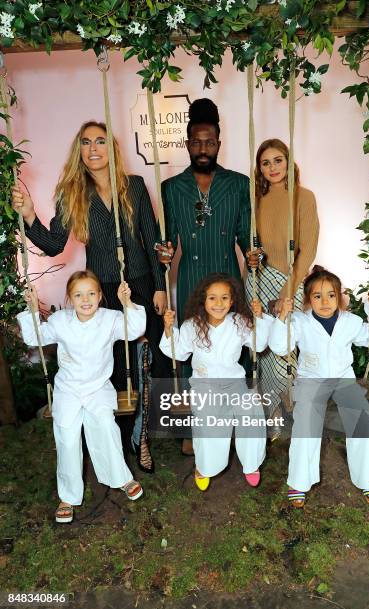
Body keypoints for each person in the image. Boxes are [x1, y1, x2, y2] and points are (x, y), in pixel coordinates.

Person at [12, 120, 171, 471]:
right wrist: (28, 215)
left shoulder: (134, 186)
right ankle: (114, 435)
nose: (94, 148)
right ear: (79, 151)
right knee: (112, 365)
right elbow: (54, 245)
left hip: (141, 285)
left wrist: (159, 285)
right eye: (86, 142)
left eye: (100, 141)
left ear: (110, 149)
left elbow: (152, 239)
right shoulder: (72, 193)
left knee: (147, 363)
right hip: (101, 294)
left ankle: (141, 437)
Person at [157, 99, 251, 454]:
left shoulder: (238, 184)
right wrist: (164, 252)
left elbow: (245, 235)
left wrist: (253, 252)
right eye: (195, 142)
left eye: (209, 142)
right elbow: (166, 240)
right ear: (186, 143)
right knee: (194, 348)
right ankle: (195, 428)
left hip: (228, 276)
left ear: (219, 143)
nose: (202, 148)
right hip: (193, 278)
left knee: (232, 347)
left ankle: (232, 422)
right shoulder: (170, 187)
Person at [17, 270, 147, 523]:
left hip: (98, 387)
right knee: (66, 434)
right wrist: (32, 309)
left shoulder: (110, 318)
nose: (85, 299)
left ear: (99, 296)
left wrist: (127, 303)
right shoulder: (60, 321)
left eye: (90, 293)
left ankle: (121, 478)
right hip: (68, 388)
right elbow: (35, 337)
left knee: (105, 426)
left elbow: (134, 330)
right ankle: (68, 496)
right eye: (78, 295)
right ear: (69, 298)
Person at [268, 267, 369, 507]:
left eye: (331, 295)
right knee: (306, 422)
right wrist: (282, 318)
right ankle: (299, 482)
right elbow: (280, 347)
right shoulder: (298, 321)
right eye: (317, 296)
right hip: (312, 378)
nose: (325, 301)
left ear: (340, 297)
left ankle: (368, 479)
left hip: (343, 377)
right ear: (308, 299)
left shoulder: (350, 321)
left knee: (361, 419)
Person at [160, 273, 273, 490]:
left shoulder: (240, 322)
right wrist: (168, 329)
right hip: (205, 385)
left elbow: (258, 346)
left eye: (224, 298)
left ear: (232, 301)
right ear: (203, 300)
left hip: (235, 384)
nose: (218, 303)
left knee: (251, 412)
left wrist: (259, 318)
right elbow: (180, 353)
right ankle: (204, 466)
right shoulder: (192, 325)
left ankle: (251, 464)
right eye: (212, 298)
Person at [246, 139, 320, 435]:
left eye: (278, 160)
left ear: (289, 163)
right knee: (263, 347)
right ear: (259, 168)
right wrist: (252, 264)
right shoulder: (255, 200)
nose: (272, 167)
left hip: (290, 280)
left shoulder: (304, 197)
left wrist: (287, 291)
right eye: (265, 163)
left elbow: (309, 249)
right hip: (259, 279)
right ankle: (272, 410)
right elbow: (254, 246)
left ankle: (290, 404)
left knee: (285, 347)